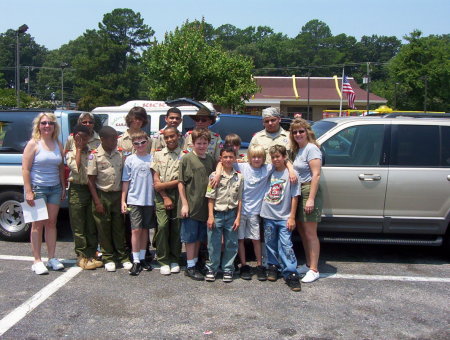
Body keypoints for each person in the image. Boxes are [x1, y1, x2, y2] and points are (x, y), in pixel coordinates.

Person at [22, 112, 66, 275]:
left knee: (51, 222)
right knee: (37, 224)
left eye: (50, 123)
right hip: (37, 188)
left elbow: (61, 166)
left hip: (54, 188)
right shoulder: (33, 144)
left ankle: (52, 258)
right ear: (38, 126)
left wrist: (62, 186)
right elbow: (25, 169)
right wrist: (28, 191)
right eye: (44, 123)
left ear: (55, 126)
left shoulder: (57, 143)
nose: (47, 126)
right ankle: (37, 260)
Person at [87, 126, 132, 272]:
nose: (115, 140)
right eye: (112, 138)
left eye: (116, 137)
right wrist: (97, 202)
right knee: (104, 228)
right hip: (102, 195)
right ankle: (108, 257)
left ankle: (122, 256)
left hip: (118, 195)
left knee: (119, 227)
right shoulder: (94, 155)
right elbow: (91, 181)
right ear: (102, 139)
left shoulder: (120, 154)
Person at [260, 145, 301, 292]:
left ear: (284, 157)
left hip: (284, 216)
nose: (276, 159)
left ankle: (290, 272)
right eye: (273, 157)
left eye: (278, 156)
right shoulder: (269, 171)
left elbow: (295, 196)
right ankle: (272, 266)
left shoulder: (292, 174)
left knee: (286, 244)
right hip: (268, 213)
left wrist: (292, 217)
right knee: (270, 242)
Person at [178, 128, 215, 281]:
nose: (201, 146)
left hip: (204, 205)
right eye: (198, 143)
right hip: (191, 204)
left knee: (199, 236)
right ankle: (190, 266)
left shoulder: (210, 159)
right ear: (192, 143)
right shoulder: (187, 159)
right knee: (190, 237)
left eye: (204, 143)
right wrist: (184, 204)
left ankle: (195, 262)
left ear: (208, 144)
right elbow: (181, 183)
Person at [289, 118, 322, 283]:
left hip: (308, 189)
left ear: (307, 132)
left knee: (310, 233)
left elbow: (316, 174)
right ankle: (309, 264)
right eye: (295, 132)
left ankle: (314, 269)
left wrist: (311, 199)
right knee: (302, 231)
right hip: (299, 191)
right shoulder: (299, 150)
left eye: (301, 131)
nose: (298, 134)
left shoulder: (311, 149)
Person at [66, 124, 103, 270]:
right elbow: (76, 167)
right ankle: (81, 255)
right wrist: (79, 149)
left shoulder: (92, 152)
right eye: (79, 137)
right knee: (79, 225)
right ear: (74, 137)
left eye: (85, 137)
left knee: (91, 224)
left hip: (91, 189)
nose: (82, 140)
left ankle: (91, 252)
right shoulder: (71, 152)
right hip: (78, 189)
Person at [205, 146, 243, 282]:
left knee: (231, 243)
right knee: (213, 243)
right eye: (225, 157)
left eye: (231, 157)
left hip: (232, 214)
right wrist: (210, 216)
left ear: (235, 158)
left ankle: (228, 269)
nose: (228, 159)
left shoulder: (239, 177)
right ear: (220, 158)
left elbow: (239, 199)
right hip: (217, 214)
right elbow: (210, 197)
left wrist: (238, 217)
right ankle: (212, 268)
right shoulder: (213, 176)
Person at [121, 131, 155, 276]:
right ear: (133, 145)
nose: (140, 145)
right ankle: (135, 260)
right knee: (135, 229)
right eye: (136, 143)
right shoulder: (130, 159)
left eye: (142, 142)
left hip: (149, 199)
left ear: (147, 142)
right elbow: (126, 181)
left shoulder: (152, 158)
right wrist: (123, 200)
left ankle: (142, 258)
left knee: (145, 230)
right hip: (134, 199)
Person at [151, 127, 183, 275]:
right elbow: (155, 177)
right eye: (167, 137)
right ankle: (163, 259)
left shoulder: (184, 155)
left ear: (178, 136)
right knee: (163, 226)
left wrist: (163, 186)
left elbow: (183, 180)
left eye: (172, 136)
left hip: (179, 193)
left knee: (176, 227)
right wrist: (164, 195)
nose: (170, 139)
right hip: (161, 195)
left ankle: (175, 258)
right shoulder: (158, 154)